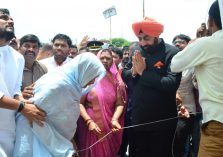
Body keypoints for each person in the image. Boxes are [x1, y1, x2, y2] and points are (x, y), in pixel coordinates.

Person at [13, 52, 106, 157]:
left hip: (53, 141)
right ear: (84, 71)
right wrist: (64, 149)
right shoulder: (59, 86)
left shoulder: (71, 84)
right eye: (92, 76)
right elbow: (34, 120)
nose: (93, 81)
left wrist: (68, 141)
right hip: (38, 142)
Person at [122, 17, 181, 157]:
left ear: (157, 35)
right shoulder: (137, 50)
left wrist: (143, 73)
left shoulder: (171, 53)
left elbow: (171, 83)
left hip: (162, 122)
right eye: (140, 38)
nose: (142, 43)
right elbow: (125, 74)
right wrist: (133, 71)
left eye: (146, 38)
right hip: (138, 119)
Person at [171, 1, 223, 156]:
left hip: (218, 124)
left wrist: (197, 40)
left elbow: (175, 64)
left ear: (210, 21)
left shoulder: (208, 43)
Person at [0, 9, 46, 157]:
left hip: (8, 129)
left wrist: (28, 106)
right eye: (4, 17)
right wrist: (24, 107)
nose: (11, 21)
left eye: (12, 19)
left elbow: (15, 91)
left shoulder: (17, 58)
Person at [77, 49, 126, 157]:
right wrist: (89, 122)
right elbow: (79, 103)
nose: (104, 60)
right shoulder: (90, 77)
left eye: (108, 58)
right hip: (90, 126)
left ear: (112, 61)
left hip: (109, 125)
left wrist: (114, 119)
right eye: (101, 58)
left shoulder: (116, 80)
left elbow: (119, 104)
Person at [172, 34, 201, 157]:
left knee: (180, 143)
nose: (177, 44)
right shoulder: (169, 62)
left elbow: (197, 85)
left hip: (187, 110)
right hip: (168, 110)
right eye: (175, 42)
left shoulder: (193, 64)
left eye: (182, 42)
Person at [19, 34, 48, 99]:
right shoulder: (13, 67)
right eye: (27, 46)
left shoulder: (42, 68)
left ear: (38, 50)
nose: (31, 49)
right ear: (20, 47)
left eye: (34, 47)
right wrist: (20, 95)